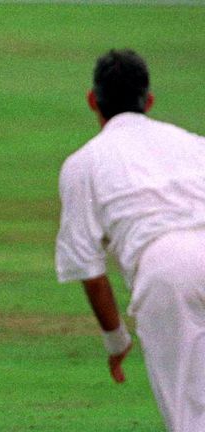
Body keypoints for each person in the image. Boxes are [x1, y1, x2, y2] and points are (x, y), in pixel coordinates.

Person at [56, 49, 205, 431]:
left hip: (169, 269)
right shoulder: (194, 143)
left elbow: (88, 268)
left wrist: (116, 341)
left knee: (191, 416)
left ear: (93, 100)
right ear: (149, 101)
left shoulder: (83, 163)